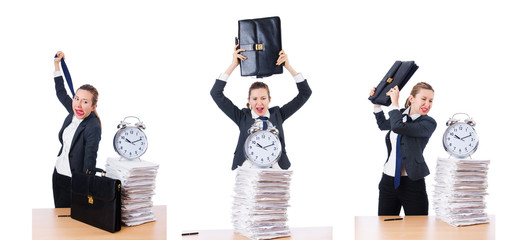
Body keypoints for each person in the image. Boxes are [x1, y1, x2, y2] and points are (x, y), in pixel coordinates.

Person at [210, 46, 312, 170]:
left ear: (269, 100)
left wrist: (288, 66)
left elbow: (305, 93)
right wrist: (233, 65)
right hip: (246, 171)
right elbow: (216, 93)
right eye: (255, 99)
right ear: (249, 101)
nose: (259, 103)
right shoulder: (242, 117)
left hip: (277, 171)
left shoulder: (278, 115)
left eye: (263, 98)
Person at [370, 82, 436, 216]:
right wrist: (377, 101)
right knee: (386, 228)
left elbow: (399, 127)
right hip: (388, 181)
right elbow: (383, 125)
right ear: (411, 99)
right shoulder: (399, 115)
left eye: (430, 101)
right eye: (423, 99)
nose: (427, 104)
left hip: (412, 183)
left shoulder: (428, 123)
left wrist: (395, 102)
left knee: (417, 230)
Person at [52, 51, 102, 208]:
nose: (79, 105)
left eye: (85, 101)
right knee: (59, 219)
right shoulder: (73, 110)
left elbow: (90, 159)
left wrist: (87, 187)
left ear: (94, 106)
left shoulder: (93, 125)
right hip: (59, 174)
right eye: (77, 99)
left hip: (75, 181)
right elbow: (61, 93)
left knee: (74, 225)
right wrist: (57, 65)